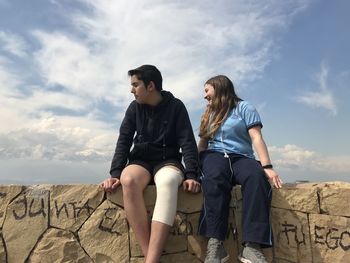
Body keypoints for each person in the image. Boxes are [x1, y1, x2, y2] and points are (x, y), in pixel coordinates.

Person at [101, 65, 200, 263]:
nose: (132, 90)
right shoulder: (134, 108)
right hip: (141, 159)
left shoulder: (176, 106)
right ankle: (152, 259)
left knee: (169, 180)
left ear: (151, 86)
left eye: (135, 85)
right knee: (127, 180)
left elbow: (187, 141)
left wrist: (191, 175)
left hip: (168, 160)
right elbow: (124, 140)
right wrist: (115, 172)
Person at [197, 75, 283, 263]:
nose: (204, 96)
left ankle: (252, 246)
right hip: (215, 155)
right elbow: (202, 144)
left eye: (207, 90)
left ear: (219, 87)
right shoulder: (209, 113)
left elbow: (256, 137)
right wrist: (192, 169)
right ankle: (216, 244)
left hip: (242, 157)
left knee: (256, 177)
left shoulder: (244, 108)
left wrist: (267, 167)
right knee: (214, 178)